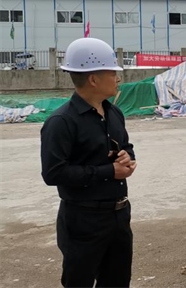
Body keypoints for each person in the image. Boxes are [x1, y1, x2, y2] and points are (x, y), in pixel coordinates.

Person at [41, 37, 137, 287]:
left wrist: (128, 158)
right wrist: (109, 171)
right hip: (83, 220)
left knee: (117, 281)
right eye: (113, 73)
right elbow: (53, 173)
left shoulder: (114, 112)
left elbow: (126, 146)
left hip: (118, 215)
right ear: (93, 79)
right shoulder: (61, 122)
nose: (118, 78)